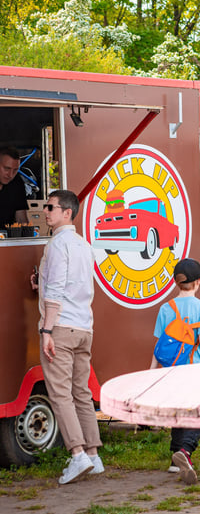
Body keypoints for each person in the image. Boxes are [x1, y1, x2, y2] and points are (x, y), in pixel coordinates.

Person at [30, 190, 102, 484]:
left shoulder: (57, 244)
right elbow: (77, 285)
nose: (45, 211)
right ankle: (94, 456)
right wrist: (41, 287)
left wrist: (47, 330)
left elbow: (58, 290)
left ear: (67, 213)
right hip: (84, 326)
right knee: (81, 393)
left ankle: (77, 454)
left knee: (60, 394)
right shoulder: (84, 245)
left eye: (50, 207)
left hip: (60, 327)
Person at [150, 258, 200, 484]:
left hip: (170, 370)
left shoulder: (165, 308)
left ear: (176, 282)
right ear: (198, 282)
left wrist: (152, 372)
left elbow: (159, 345)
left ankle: (173, 460)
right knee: (196, 413)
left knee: (179, 411)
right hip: (193, 369)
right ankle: (185, 452)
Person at [0, 146, 28, 227]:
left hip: (8, 237)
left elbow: (21, 219)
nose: (10, 175)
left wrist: (30, 237)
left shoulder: (17, 182)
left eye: (15, 170)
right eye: (6, 168)